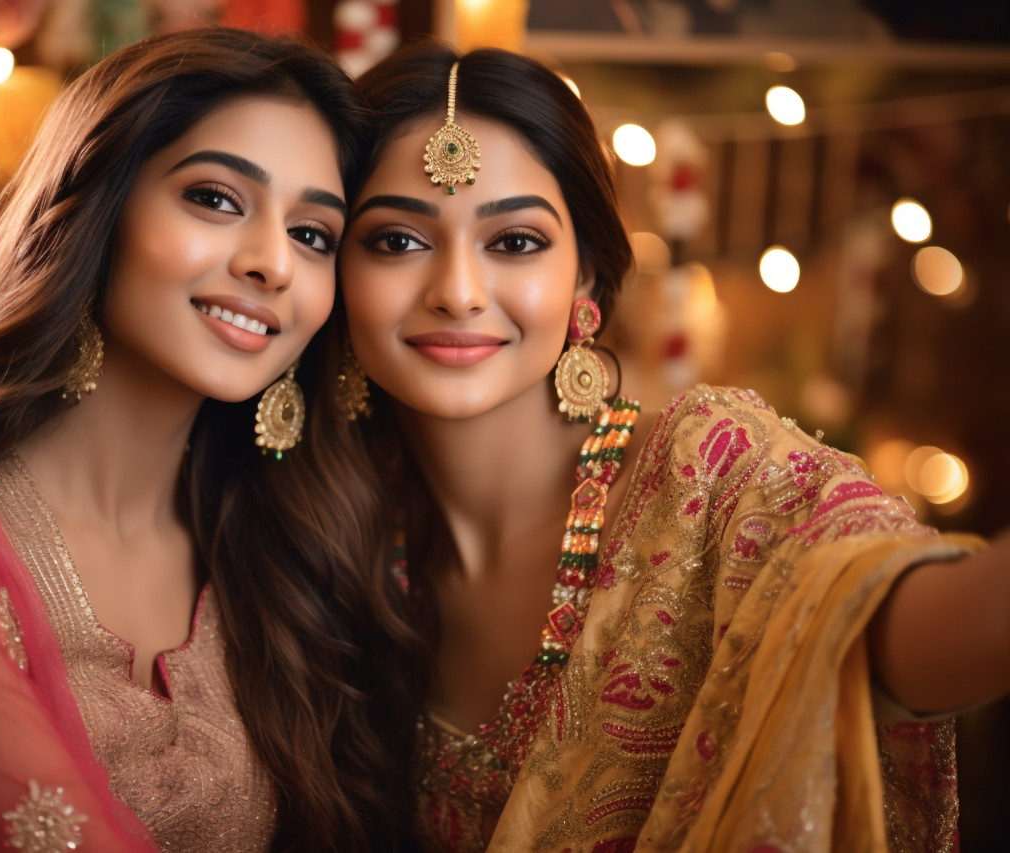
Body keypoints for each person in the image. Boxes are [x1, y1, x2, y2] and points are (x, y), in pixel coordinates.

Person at [0, 29, 420, 852]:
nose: (273, 262)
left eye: (313, 234)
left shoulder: (280, 557)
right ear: (100, 205)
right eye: (216, 198)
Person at [332, 41, 1010, 852]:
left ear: (585, 278)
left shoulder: (711, 477)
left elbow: (884, 623)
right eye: (397, 241)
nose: (457, 292)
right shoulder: (321, 512)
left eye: (514, 242)